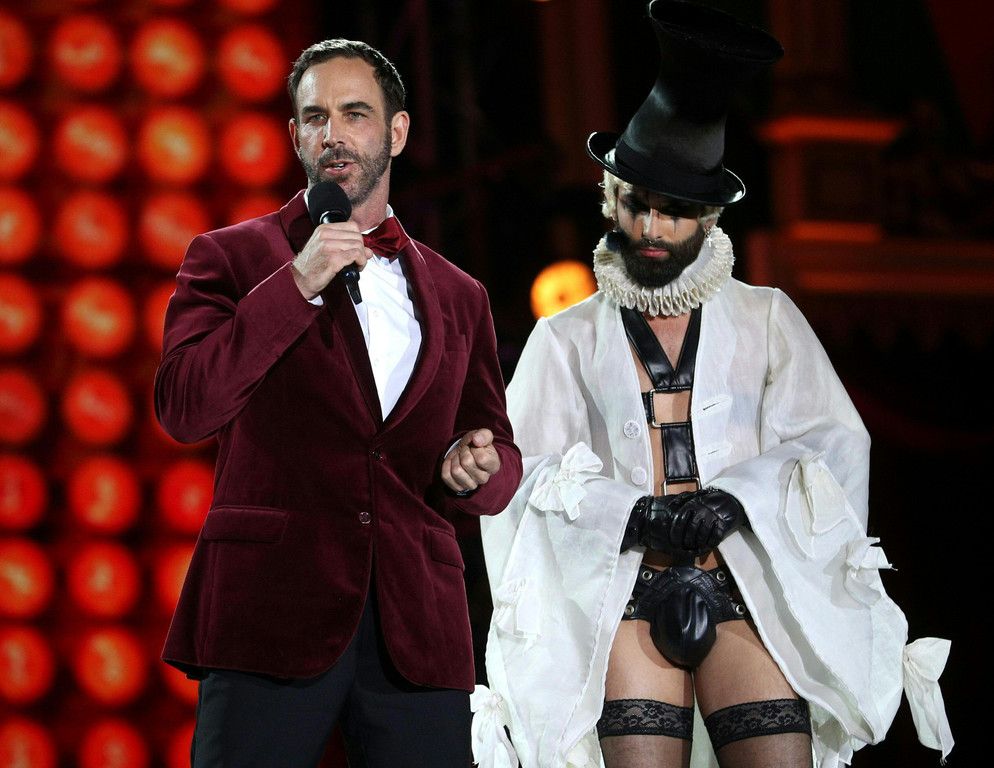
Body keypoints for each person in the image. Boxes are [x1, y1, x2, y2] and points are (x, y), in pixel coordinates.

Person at [471, 3, 952, 768]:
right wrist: (635, 512)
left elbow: (833, 444)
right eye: (638, 203)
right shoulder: (566, 335)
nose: (653, 228)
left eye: (677, 211)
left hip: (743, 582)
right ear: (611, 196)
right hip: (626, 590)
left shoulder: (766, 317)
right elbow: (524, 471)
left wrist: (737, 499)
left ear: (711, 218)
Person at [155, 38, 522, 767]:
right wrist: (295, 284)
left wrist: (476, 468)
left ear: (397, 132)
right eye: (315, 117)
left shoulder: (460, 294)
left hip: (417, 627)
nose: (333, 134)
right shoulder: (230, 258)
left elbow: (500, 454)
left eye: (355, 114)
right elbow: (185, 406)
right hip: (271, 613)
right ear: (295, 135)